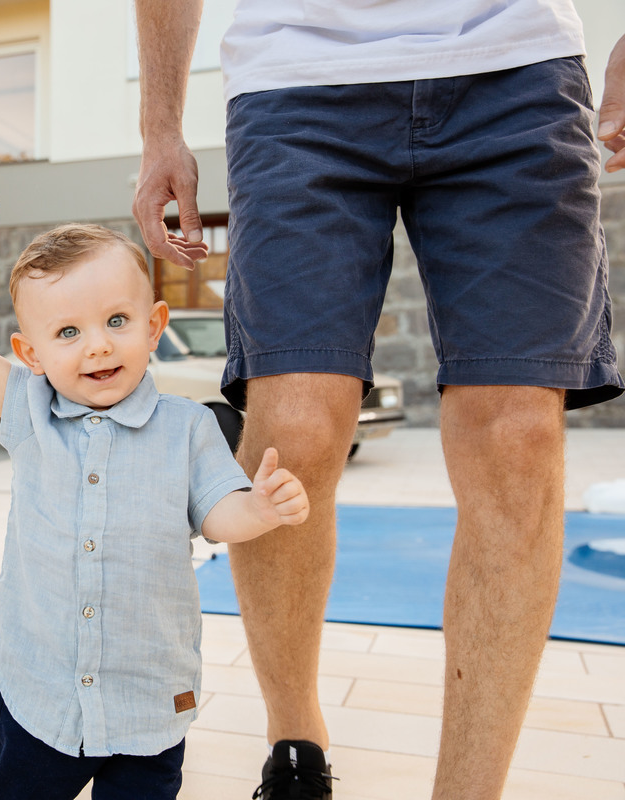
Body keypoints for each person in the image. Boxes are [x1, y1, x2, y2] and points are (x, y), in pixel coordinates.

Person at [132, 2, 625, 799]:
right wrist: (160, 124)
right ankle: (296, 743)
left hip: (517, 65)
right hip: (297, 77)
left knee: (517, 438)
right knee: (291, 432)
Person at [0, 215, 310, 799]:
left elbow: (215, 511)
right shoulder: (30, 410)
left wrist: (259, 509)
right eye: (68, 332)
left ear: (153, 327)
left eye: (117, 321)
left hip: (146, 693)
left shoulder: (188, 427)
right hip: (43, 691)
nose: (98, 344)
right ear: (31, 353)